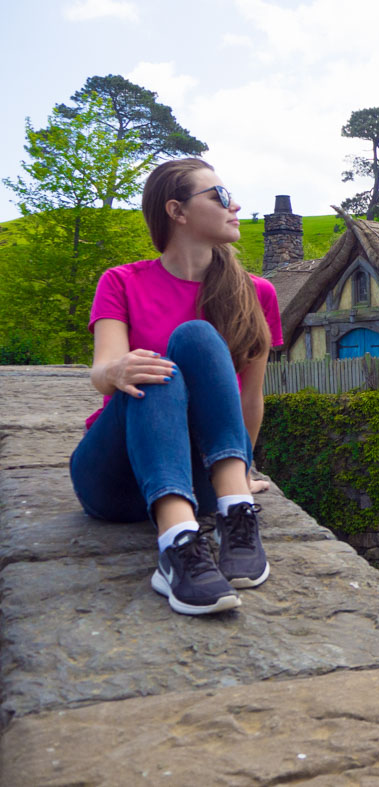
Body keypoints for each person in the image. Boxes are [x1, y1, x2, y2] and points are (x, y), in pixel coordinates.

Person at [69, 158, 283, 615]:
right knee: (159, 369)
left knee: (197, 337)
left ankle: (234, 511)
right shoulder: (122, 281)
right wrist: (116, 371)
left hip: (199, 479)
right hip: (114, 474)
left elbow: (250, 397)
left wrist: (243, 467)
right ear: (177, 211)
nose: (235, 205)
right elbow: (101, 371)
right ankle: (176, 544)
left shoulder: (257, 293)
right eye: (220, 196)